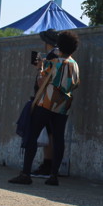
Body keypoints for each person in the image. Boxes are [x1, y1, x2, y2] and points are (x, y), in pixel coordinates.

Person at [9, 30, 80, 187]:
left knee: (32, 135)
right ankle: (54, 176)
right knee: (59, 138)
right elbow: (75, 84)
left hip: (46, 103)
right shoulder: (75, 65)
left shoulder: (53, 62)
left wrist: (40, 69)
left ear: (59, 45)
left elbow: (41, 82)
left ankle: (26, 174)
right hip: (63, 106)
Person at [30, 29, 60, 178]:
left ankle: (47, 164)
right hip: (56, 100)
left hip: (46, 99)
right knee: (52, 132)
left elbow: (43, 80)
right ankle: (50, 165)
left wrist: (39, 68)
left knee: (47, 133)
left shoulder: (52, 56)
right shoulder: (60, 55)